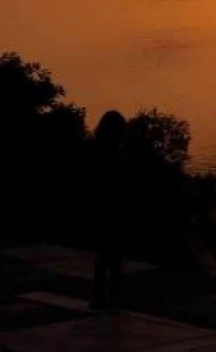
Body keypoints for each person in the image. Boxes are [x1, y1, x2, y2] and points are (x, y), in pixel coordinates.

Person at [90, 110, 128, 309]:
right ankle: (111, 298)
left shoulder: (98, 152)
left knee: (105, 256)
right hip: (111, 210)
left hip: (104, 210)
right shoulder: (113, 155)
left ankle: (101, 297)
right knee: (112, 257)